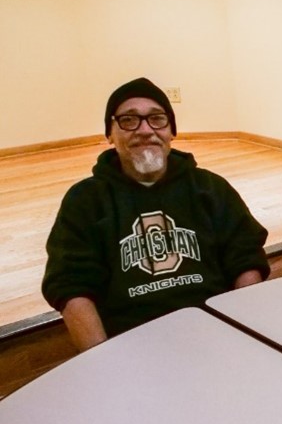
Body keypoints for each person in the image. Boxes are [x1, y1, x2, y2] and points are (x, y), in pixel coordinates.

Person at [42, 77, 270, 351]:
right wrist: (101, 362)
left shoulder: (210, 188)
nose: (145, 130)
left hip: (214, 333)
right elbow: (71, 286)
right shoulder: (85, 201)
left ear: (171, 131)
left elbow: (245, 260)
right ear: (109, 134)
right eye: (129, 120)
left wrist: (248, 334)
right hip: (131, 344)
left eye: (157, 119)